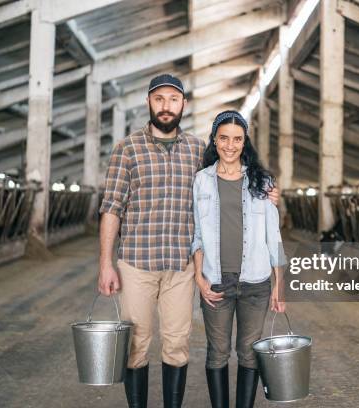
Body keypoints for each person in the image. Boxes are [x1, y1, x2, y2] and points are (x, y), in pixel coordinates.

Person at [98, 76, 279, 408]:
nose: (166, 106)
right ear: (148, 102)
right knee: (137, 344)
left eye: (173, 99)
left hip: (181, 266)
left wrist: (265, 190)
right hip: (136, 263)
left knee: (177, 344)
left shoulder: (198, 151)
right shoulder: (126, 149)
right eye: (159, 99)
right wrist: (106, 263)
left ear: (183, 105)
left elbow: (232, 175)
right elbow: (111, 207)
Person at [191, 110, 286, 408]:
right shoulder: (201, 181)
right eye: (224, 138)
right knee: (217, 352)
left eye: (237, 139)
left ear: (245, 142)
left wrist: (279, 284)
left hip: (256, 282)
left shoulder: (262, 183)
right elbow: (196, 235)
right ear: (214, 141)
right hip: (216, 281)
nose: (230, 145)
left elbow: (275, 239)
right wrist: (198, 276)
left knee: (248, 352)